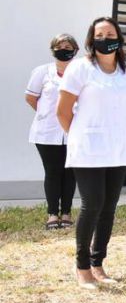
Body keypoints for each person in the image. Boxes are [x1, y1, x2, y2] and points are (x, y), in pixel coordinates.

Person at [57, 17, 126, 289]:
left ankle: (98, 262)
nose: (105, 38)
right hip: (88, 150)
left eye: (110, 33)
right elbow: (63, 111)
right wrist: (81, 136)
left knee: (108, 209)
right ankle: (82, 268)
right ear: (92, 40)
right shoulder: (81, 68)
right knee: (92, 205)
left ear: (119, 38)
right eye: (100, 34)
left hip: (117, 149)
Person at [26, 34, 79, 230]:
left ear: (75, 50)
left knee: (70, 172)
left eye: (67, 46)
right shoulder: (42, 72)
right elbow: (31, 98)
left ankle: (66, 213)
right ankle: (52, 214)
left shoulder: (80, 72)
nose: (63, 49)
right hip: (46, 132)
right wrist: (48, 114)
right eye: (59, 46)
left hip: (73, 130)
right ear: (53, 50)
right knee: (52, 171)